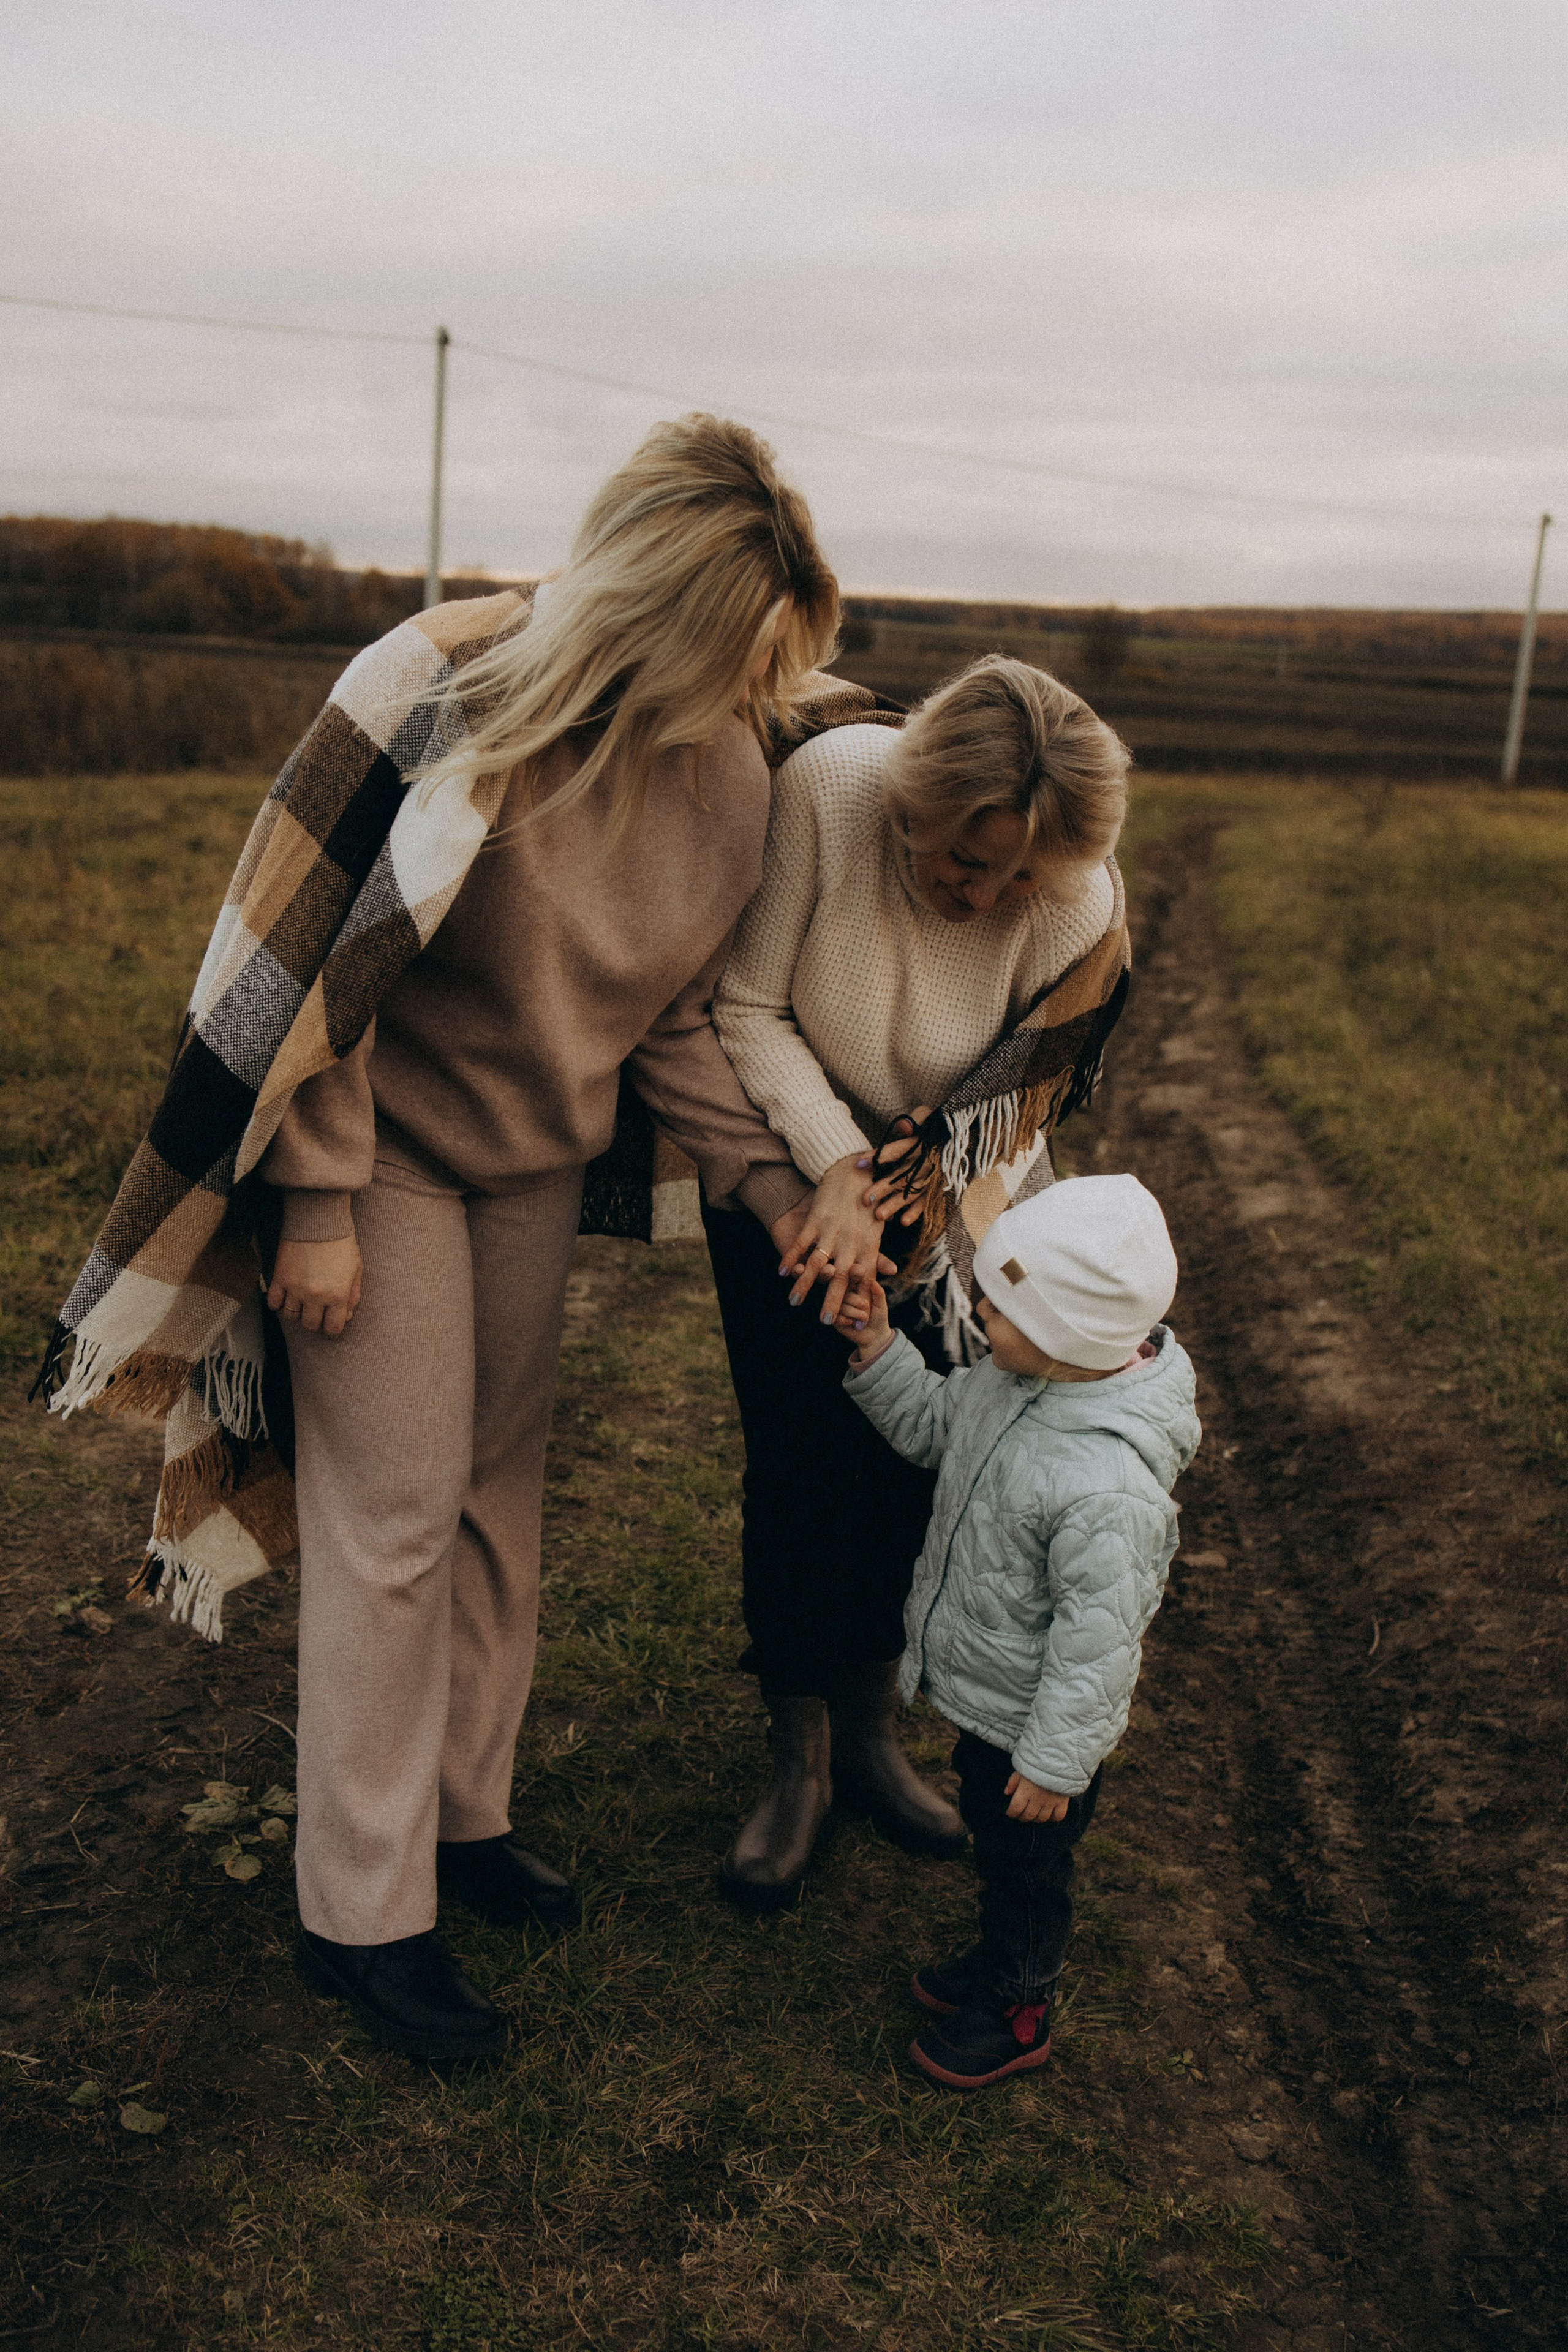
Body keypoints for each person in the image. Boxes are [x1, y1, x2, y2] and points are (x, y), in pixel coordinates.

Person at [252, 415, 836, 2060]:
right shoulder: (453, 697)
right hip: (379, 1156)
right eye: (725, 650)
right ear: (645, 606)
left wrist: (778, 1191)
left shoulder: (724, 768)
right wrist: (314, 1194)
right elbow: (319, 958)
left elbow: (664, 1030)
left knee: (499, 1491)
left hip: (526, 1168)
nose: (745, 689)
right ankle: (359, 1917)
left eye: (765, 659)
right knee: (391, 1521)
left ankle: (462, 1816)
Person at [706, 655, 1130, 1910]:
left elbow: (1026, 1084)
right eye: (963, 859)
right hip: (795, 1160)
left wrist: (904, 1199)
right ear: (914, 801)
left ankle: (871, 1730)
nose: (986, 894)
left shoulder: (1072, 889)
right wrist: (829, 1170)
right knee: (794, 1454)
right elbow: (742, 1005)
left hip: (965, 1196)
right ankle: (801, 1752)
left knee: (919, 1461)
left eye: (1017, 878)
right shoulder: (832, 787)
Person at [837, 1172, 1200, 2089]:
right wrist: (879, 1348)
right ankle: (1001, 1958)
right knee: (999, 1855)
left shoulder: (1108, 1489)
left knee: (1029, 1867)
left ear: (1066, 1337)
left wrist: (1055, 1762)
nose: (978, 1317)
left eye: (998, 1307)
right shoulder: (1012, 1382)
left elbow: (1101, 1645)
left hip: (1040, 1735)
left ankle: (1020, 2002)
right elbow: (930, 1427)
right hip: (995, 1702)